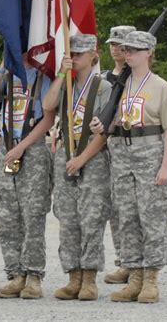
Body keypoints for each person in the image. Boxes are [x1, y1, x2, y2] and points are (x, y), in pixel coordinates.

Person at [90, 31, 167, 304]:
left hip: (150, 153)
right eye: (126, 50)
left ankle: (151, 279)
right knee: (127, 218)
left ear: (149, 53)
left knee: (152, 218)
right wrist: (101, 125)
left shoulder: (160, 86)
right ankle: (135, 276)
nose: (128, 54)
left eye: (135, 50)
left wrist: (166, 166)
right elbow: (115, 120)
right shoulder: (120, 85)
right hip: (123, 155)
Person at [42, 34, 112, 301]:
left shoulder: (103, 86)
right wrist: (61, 73)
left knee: (91, 219)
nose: (75, 57)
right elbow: (48, 107)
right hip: (65, 154)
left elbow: (104, 132)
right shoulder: (66, 85)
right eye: (72, 53)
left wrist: (82, 159)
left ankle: (90, 278)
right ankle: (73, 276)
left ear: (93, 56)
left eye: (80, 54)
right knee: (68, 219)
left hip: (91, 158)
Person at [0, 56, 54, 299]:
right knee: (9, 216)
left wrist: (22, 146)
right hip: (8, 148)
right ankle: (15, 274)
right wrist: (3, 69)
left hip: (31, 149)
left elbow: (48, 118)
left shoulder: (41, 75)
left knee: (32, 215)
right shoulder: (7, 74)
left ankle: (33, 275)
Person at [101, 25, 135, 285]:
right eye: (113, 44)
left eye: (121, 45)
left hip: (130, 146)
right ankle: (123, 260)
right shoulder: (103, 78)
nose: (116, 49)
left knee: (131, 207)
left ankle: (136, 262)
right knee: (113, 208)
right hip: (103, 147)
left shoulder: (137, 78)